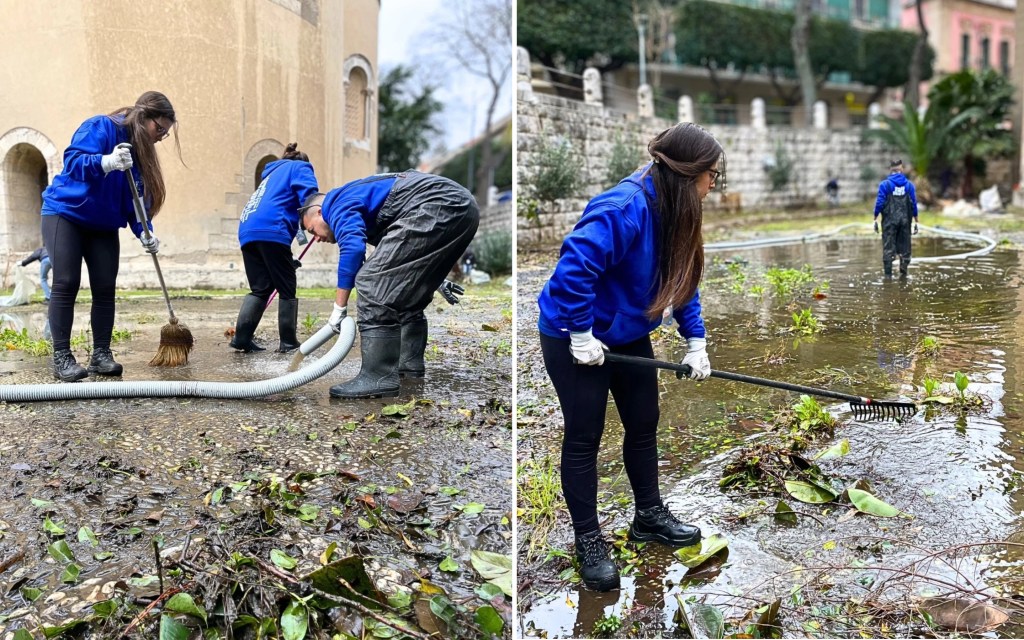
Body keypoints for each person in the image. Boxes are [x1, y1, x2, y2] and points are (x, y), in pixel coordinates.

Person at [536, 122, 721, 592]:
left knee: (643, 421)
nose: (714, 183)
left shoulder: (678, 208)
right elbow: (572, 270)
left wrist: (695, 340)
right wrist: (580, 332)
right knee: (584, 434)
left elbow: (683, 276)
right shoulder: (623, 208)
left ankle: (648, 516)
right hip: (572, 332)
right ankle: (588, 540)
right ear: (688, 173)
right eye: (711, 174)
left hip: (626, 331)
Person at [298, 170, 479, 398]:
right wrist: (434, 278)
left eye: (312, 230)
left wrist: (339, 309)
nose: (317, 238)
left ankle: (378, 376)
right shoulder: (362, 202)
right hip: (462, 206)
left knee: (370, 283)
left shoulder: (336, 202)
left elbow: (353, 250)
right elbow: (403, 259)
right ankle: (409, 363)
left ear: (318, 211)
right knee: (401, 291)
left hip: (435, 204)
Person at [40, 91, 181, 382]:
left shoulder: (140, 154)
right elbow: (73, 162)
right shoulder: (101, 127)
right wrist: (106, 162)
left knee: (105, 287)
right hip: (65, 213)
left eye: (165, 134)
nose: (160, 137)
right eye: (160, 130)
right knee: (67, 282)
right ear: (144, 117)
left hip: (102, 223)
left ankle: (101, 355)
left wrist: (145, 232)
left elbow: (136, 200)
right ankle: (62, 357)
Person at [231, 142, 319, 353]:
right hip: (272, 228)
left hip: (248, 229)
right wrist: (320, 217)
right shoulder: (300, 168)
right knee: (287, 287)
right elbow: (311, 199)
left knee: (260, 288)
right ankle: (288, 343)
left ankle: (241, 338)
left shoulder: (271, 174)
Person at [873, 158, 919, 278]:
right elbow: (913, 203)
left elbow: (880, 202)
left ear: (890, 170)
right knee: (905, 247)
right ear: (901, 169)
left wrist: (875, 215)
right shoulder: (909, 186)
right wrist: (916, 217)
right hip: (905, 221)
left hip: (889, 222)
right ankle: (903, 275)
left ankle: (888, 277)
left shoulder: (885, 185)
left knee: (888, 246)